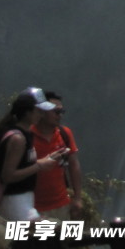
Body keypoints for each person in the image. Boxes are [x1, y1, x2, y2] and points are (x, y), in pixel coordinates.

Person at [0, 88, 64, 222]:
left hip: (25, 200)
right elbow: (7, 176)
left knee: (51, 235)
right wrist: (39, 166)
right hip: (14, 200)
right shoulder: (18, 138)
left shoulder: (26, 134)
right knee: (55, 233)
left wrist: (46, 160)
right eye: (38, 111)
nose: (42, 115)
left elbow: (23, 164)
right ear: (27, 112)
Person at [31, 91, 83, 223]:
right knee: (38, 243)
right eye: (56, 111)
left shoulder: (65, 133)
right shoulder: (26, 135)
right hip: (32, 207)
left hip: (61, 204)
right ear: (42, 111)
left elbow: (74, 165)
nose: (59, 116)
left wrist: (77, 198)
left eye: (61, 112)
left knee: (61, 243)